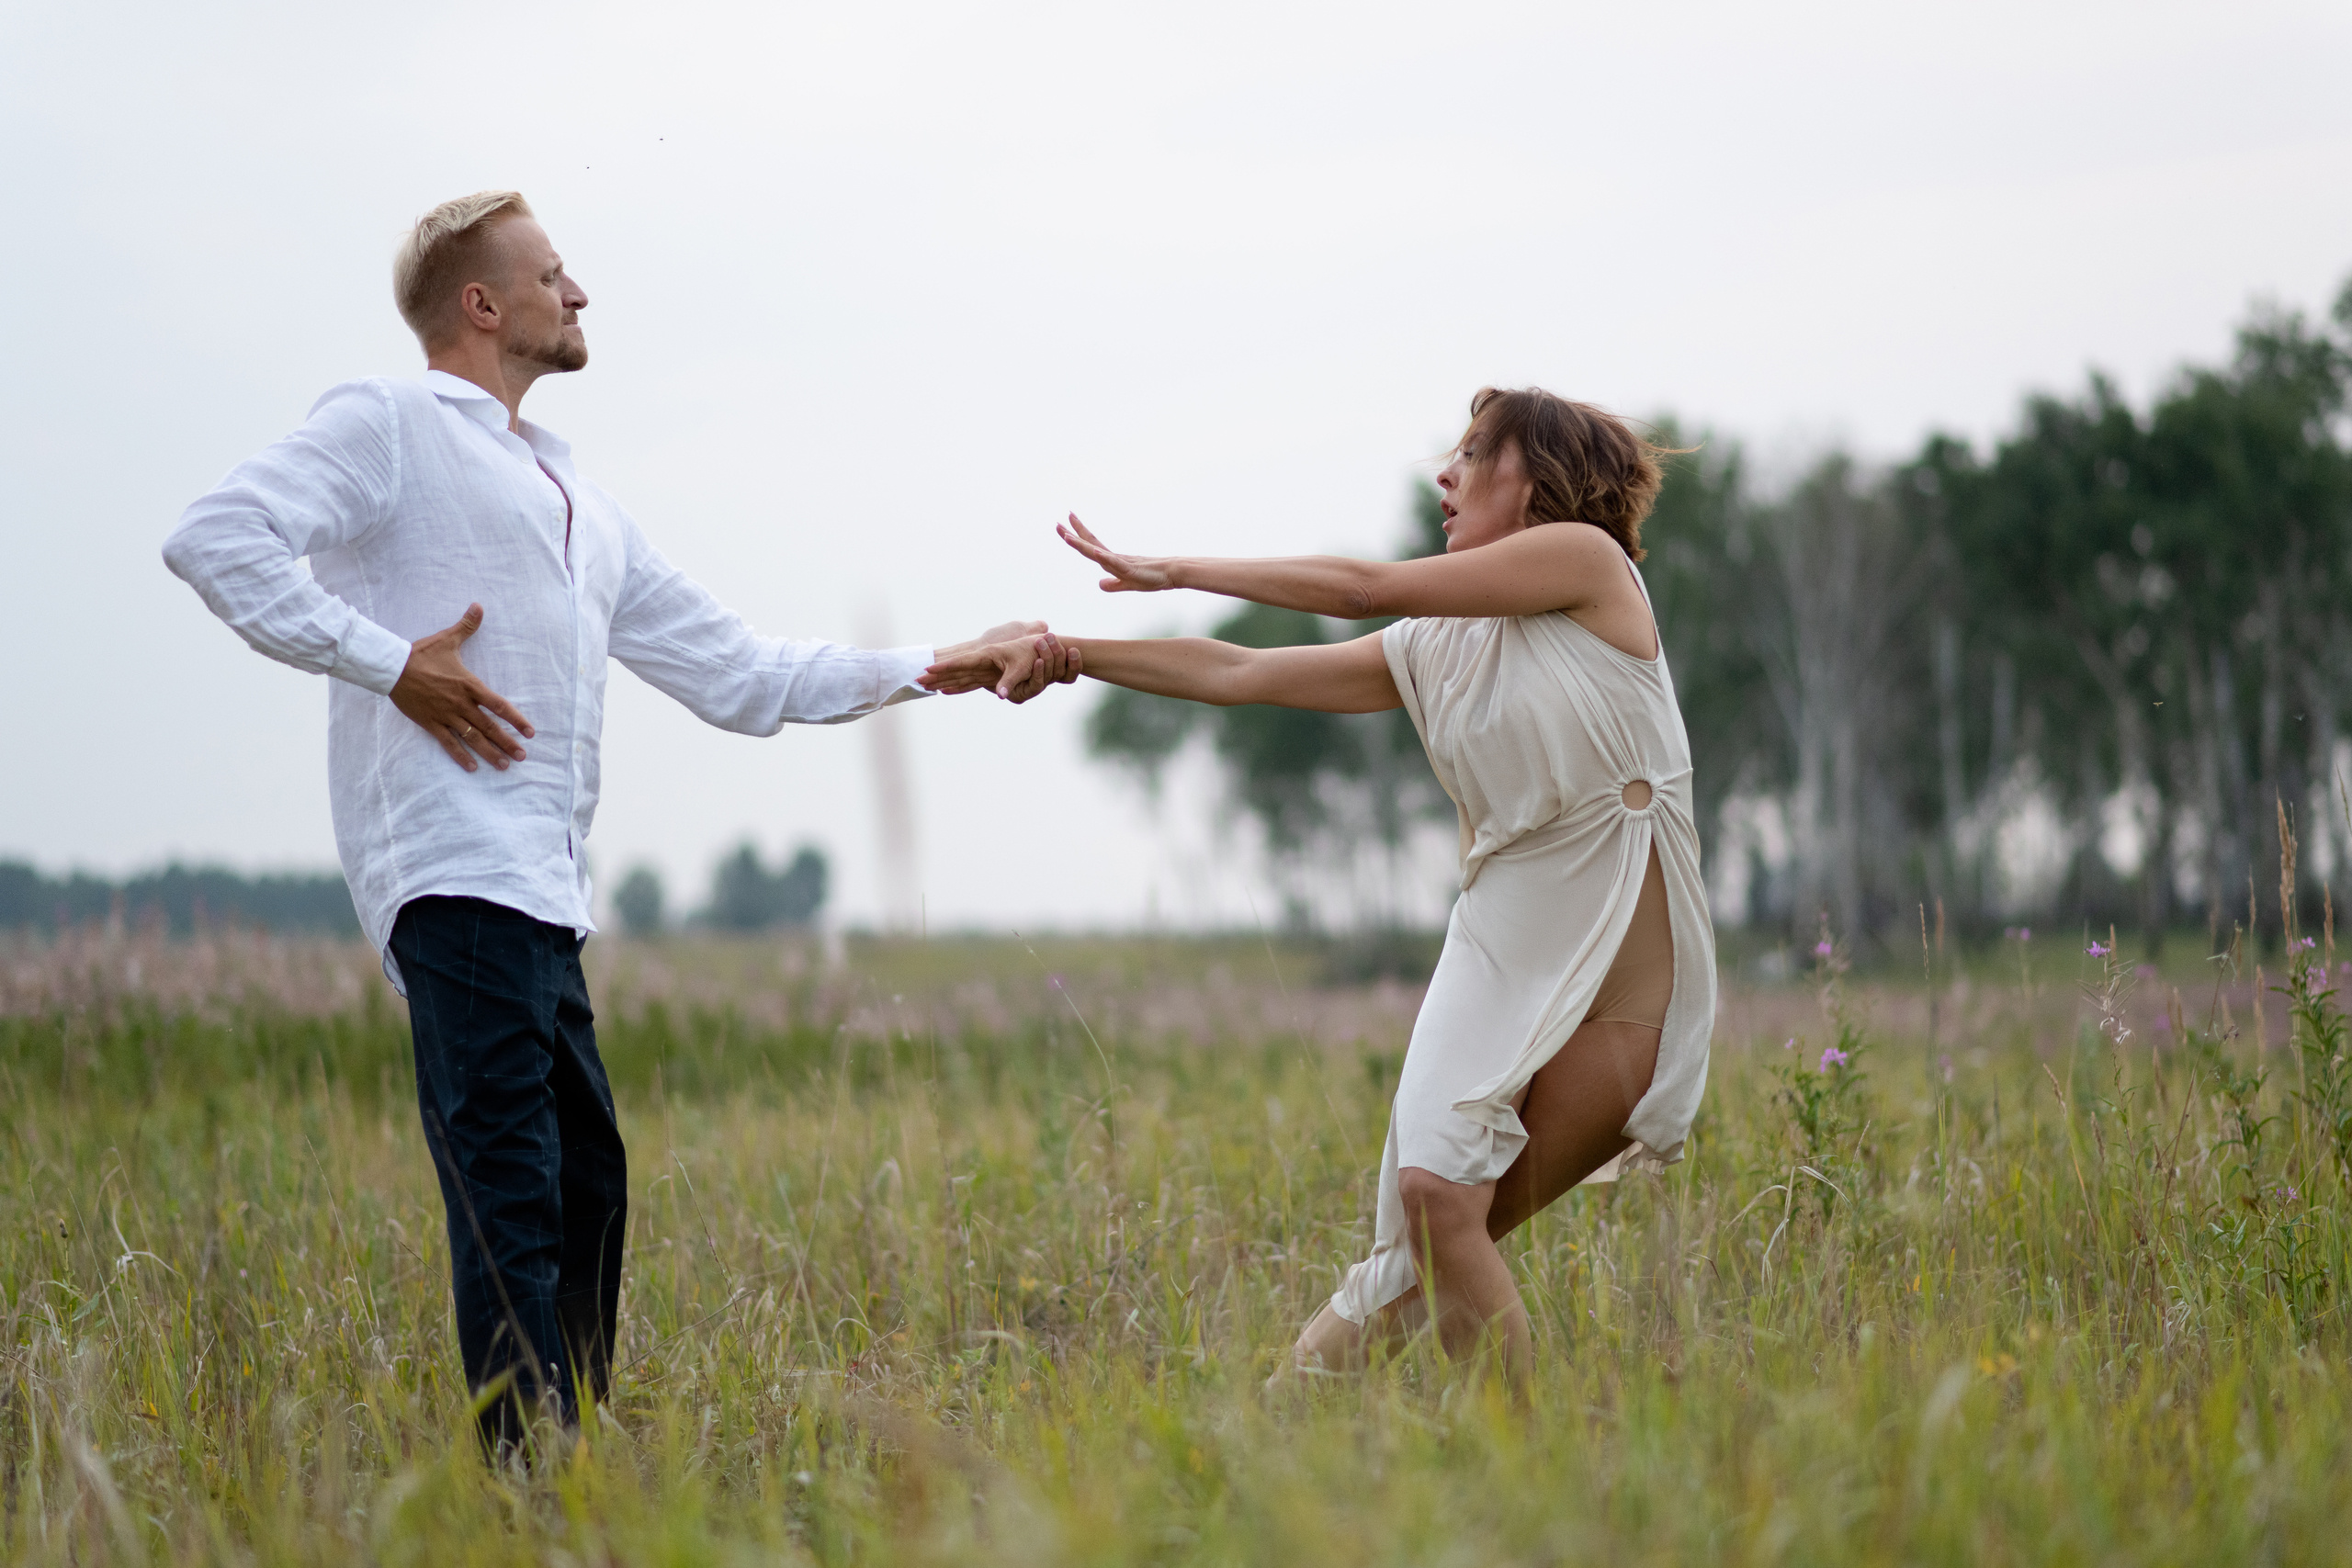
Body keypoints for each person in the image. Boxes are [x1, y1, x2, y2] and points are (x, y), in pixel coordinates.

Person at [162, 190, 1070, 1453]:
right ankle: (524, 1473)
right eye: (553, 272)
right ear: (483, 304)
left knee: (587, 1187)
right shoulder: (391, 424)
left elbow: (742, 672)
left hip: (545, 893)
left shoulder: (573, 496)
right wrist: (388, 661)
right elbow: (216, 537)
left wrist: (939, 663)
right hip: (450, 873)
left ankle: (565, 1457)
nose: (579, 293)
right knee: (514, 1193)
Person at [923, 388, 1714, 1386]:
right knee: (1428, 1235)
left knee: (1434, 1218)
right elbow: (1236, 674)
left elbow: (1360, 587)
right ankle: (1285, 1427)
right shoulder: (1437, 648)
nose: (1445, 473)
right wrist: (1068, 654)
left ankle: (1529, 1466)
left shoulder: (1590, 566)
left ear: (1539, 482)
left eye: (1473, 453)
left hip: (1618, 991)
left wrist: (1174, 569)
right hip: (1498, 944)